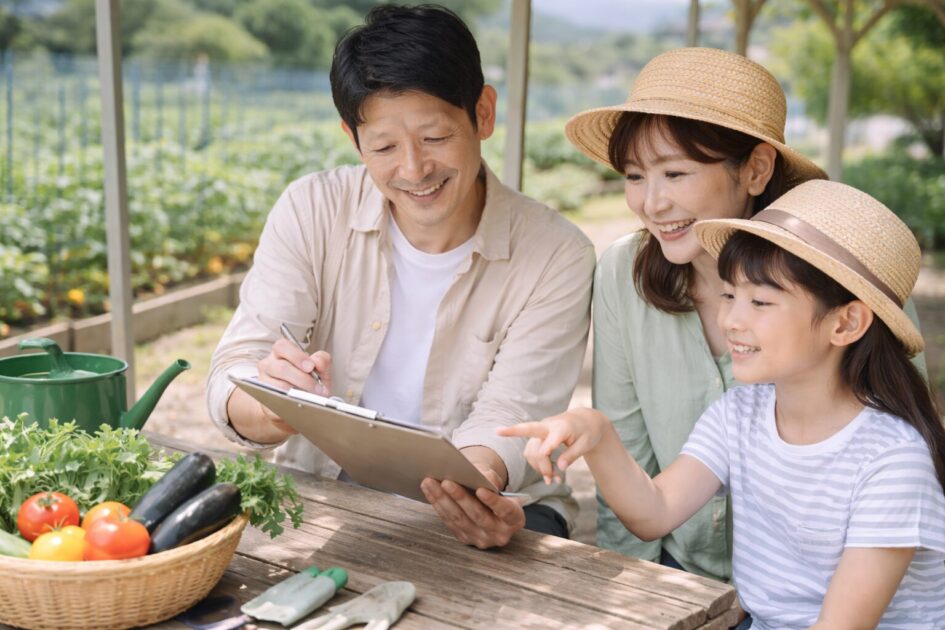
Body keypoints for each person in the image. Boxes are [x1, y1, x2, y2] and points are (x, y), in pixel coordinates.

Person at [206, 4, 595, 547]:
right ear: (352, 137)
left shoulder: (557, 254)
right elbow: (234, 369)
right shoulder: (312, 210)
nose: (413, 170)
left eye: (435, 137)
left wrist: (469, 491)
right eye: (385, 147)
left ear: (483, 113)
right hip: (331, 488)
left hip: (496, 499)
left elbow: (511, 413)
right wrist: (276, 407)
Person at [501, 180, 945, 628]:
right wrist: (594, 432)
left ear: (846, 322)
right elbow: (653, 512)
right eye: (730, 295)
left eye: (761, 301)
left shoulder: (892, 461)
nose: (731, 319)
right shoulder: (742, 413)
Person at [561, 47, 925, 581]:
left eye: (676, 173)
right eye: (635, 176)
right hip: (677, 576)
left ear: (755, 169)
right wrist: (635, 599)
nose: (651, 203)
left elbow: (897, 450)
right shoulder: (622, 273)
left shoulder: (849, 277)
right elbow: (632, 466)